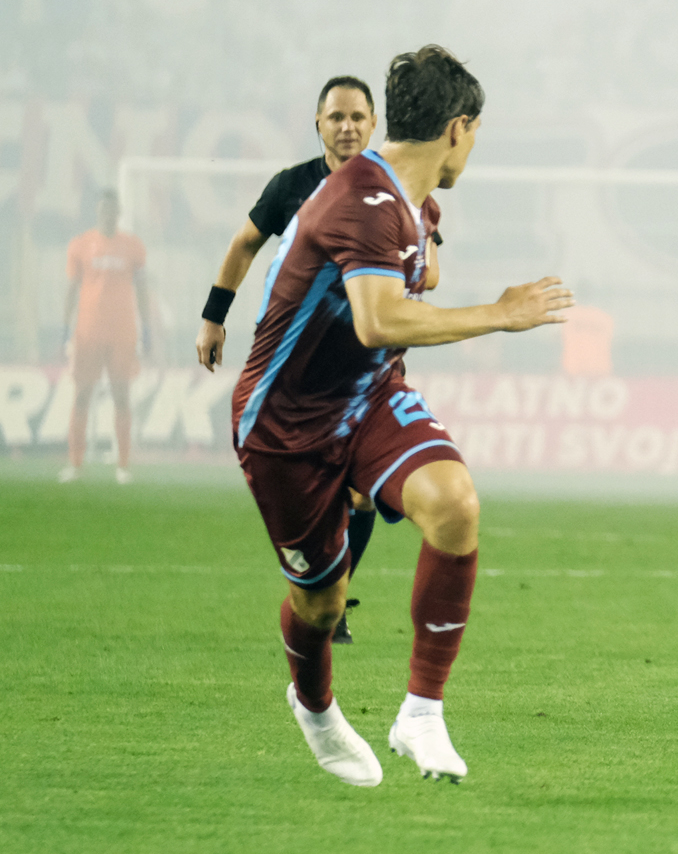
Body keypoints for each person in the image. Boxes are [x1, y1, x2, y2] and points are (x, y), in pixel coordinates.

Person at [232, 45, 572, 786]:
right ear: (458, 128)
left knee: (454, 505)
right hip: (285, 424)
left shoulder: (409, 201)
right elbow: (379, 321)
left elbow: (401, 288)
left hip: (370, 395)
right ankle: (316, 707)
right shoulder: (362, 200)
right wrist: (501, 315)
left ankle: (421, 712)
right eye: (475, 133)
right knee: (320, 604)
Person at [197, 74, 439, 644]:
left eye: (358, 117)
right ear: (318, 124)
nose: (348, 126)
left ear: (375, 123)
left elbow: (431, 265)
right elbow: (244, 244)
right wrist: (213, 316)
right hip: (299, 370)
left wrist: (405, 271)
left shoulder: (404, 190)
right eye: (336, 117)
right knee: (322, 486)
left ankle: (336, 597)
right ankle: (321, 596)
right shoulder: (294, 186)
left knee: (360, 492)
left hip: (368, 364)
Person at [60, 191, 152, 484]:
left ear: (119, 212)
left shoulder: (133, 247)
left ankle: (123, 465)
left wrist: (147, 328)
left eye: (112, 210)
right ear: (97, 212)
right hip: (87, 333)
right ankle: (75, 464)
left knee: (121, 395)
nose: (107, 215)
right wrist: (65, 327)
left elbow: (142, 289)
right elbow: (72, 288)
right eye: (103, 210)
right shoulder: (81, 245)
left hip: (122, 333)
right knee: (82, 394)